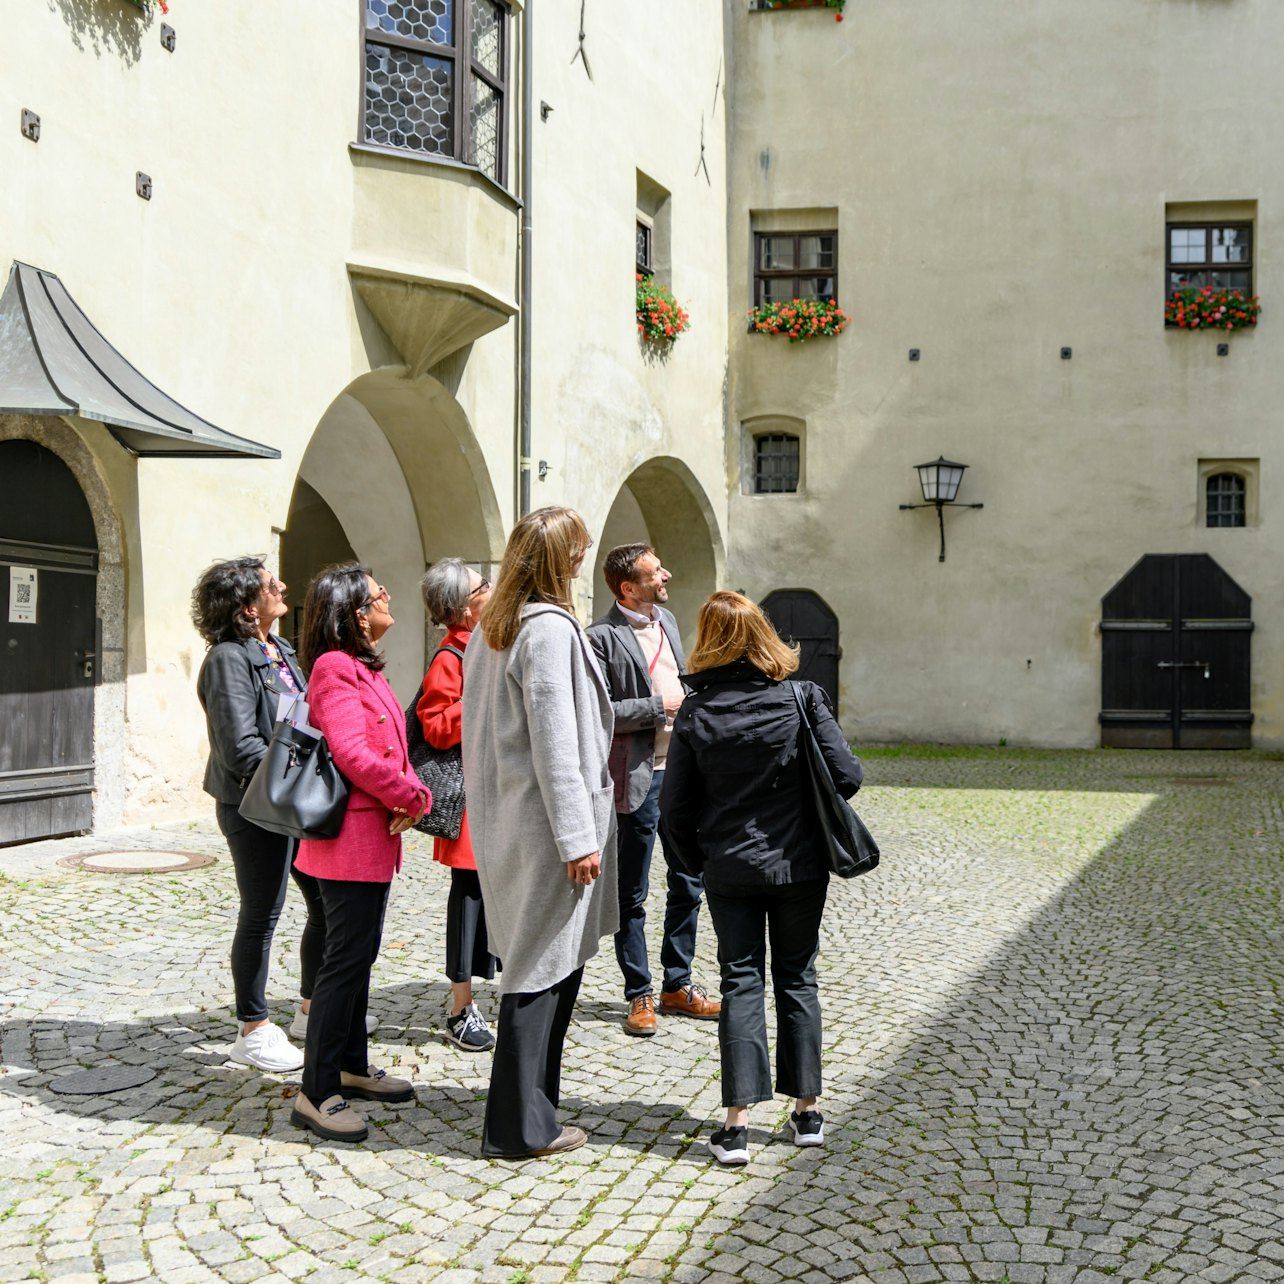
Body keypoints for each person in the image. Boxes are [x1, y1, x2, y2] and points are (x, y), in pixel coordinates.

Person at [658, 591, 863, 1167]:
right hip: (799, 864)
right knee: (798, 977)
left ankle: (737, 1126)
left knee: (739, 982)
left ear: (710, 641)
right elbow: (848, 775)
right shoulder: (803, 699)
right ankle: (806, 1113)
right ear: (765, 637)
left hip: (729, 867)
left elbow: (675, 809)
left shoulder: (698, 713)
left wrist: (694, 861)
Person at [462, 506, 618, 1159]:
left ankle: (536, 1108)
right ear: (559, 561)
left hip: (510, 821)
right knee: (537, 971)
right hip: (547, 828)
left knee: (547, 966)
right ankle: (517, 1128)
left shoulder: (492, 629)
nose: (583, 562)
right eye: (577, 552)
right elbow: (557, 745)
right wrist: (578, 837)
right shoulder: (546, 630)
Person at [289, 563, 430, 1143]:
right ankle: (316, 1091)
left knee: (358, 957)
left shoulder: (359, 668)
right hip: (348, 843)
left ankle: (349, 1064)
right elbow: (352, 752)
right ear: (356, 613)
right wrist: (412, 793)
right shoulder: (333, 668)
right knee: (343, 963)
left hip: (370, 842)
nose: (387, 595)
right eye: (378, 593)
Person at [193, 558, 322, 1074]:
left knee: (324, 903)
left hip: (295, 798)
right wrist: (300, 783)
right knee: (263, 912)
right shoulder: (227, 658)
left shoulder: (282, 650)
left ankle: (313, 1011)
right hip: (255, 806)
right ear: (249, 606)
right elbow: (240, 747)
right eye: (271, 584)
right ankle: (252, 1028)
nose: (283, 585)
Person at [587, 544, 719, 1036]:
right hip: (636, 779)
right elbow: (600, 714)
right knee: (633, 892)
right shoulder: (598, 637)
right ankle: (639, 992)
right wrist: (657, 706)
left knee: (689, 882)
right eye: (654, 571)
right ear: (627, 587)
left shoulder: (666, 619)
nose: (666, 573)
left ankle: (677, 984)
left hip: (681, 775)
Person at [416, 558, 499, 1053]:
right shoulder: (451, 657)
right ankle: (459, 1005)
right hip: (470, 800)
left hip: (497, 791)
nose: (492, 589)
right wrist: (484, 699)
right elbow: (436, 726)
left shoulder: (485, 647)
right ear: (465, 607)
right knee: (467, 898)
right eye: (483, 585)